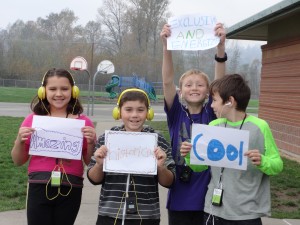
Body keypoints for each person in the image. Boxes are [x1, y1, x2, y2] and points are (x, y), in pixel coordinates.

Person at [181, 74, 283, 225]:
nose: (211, 105)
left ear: (230, 101)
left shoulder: (260, 127)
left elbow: (277, 165)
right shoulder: (214, 126)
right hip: (214, 210)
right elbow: (200, 166)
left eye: (215, 100)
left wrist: (263, 161)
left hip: (247, 213)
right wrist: (189, 155)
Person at [160, 22, 227, 225]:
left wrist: (221, 48)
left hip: (208, 199)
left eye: (200, 84)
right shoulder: (176, 114)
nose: (194, 88)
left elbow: (221, 82)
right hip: (179, 197)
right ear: (180, 91)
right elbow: (166, 81)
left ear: (209, 91)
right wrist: (166, 47)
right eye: (188, 85)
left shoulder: (213, 114)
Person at [11, 68, 96, 225]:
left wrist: (91, 142)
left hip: (71, 185)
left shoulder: (84, 123)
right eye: (52, 89)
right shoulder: (32, 120)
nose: (59, 94)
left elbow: (88, 160)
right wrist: (19, 141)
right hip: (39, 184)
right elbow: (18, 161)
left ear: (74, 91)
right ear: (43, 91)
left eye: (64, 89)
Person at [87, 88, 175, 225]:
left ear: (148, 113)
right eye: (128, 110)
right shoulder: (107, 139)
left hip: (146, 217)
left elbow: (169, 182)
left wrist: (161, 167)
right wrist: (99, 164)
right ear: (118, 112)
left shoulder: (158, 141)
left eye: (140, 110)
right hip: (110, 214)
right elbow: (93, 179)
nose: (135, 115)